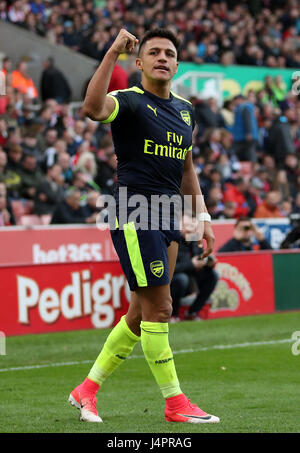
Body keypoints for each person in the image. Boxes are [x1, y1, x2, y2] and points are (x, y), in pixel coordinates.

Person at [68, 28, 219, 425]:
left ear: (177, 64)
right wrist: (112, 52)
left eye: (169, 53)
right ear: (139, 63)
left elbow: (186, 168)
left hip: (169, 215)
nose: (162, 58)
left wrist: (203, 218)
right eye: (153, 52)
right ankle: (175, 403)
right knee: (162, 308)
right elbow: (91, 108)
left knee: (140, 312)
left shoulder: (185, 111)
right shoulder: (130, 102)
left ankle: (87, 390)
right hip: (135, 212)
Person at [170, 215, 218, 322]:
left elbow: (199, 260)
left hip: (192, 281)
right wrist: (191, 264)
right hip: (173, 283)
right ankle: (173, 314)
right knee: (182, 279)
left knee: (213, 276)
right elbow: (168, 269)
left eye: (193, 226)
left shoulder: (195, 240)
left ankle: (192, 312)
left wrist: (208, 264)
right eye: (187, 226)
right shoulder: (171, 241)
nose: (190, 229)